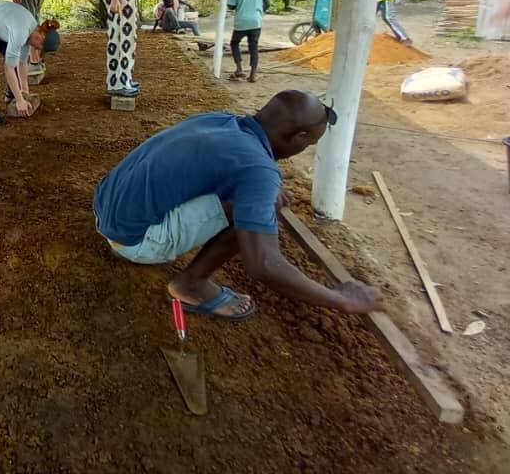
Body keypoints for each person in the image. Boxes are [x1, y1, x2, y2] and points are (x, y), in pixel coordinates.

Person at [94, 90, 383, 319]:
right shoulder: (257, 169)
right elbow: (264, 264)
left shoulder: (219, 121)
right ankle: (191, 284)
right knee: (261, 207)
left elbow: (242, 166)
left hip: (106, 209)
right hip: (136, 242)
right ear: (300, 137)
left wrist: (263, 185)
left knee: (256, 197)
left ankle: (141, 241)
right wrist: (341, 299)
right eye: (309, 145)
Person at [227, 0, 270, 83]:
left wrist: (228, 3)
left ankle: (239, 69)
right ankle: (253, 75)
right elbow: (267, 3)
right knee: (253, 47)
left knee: (234, 43)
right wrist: (260, 12)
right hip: (256, 22)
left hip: (241, 22)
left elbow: (231, 6)